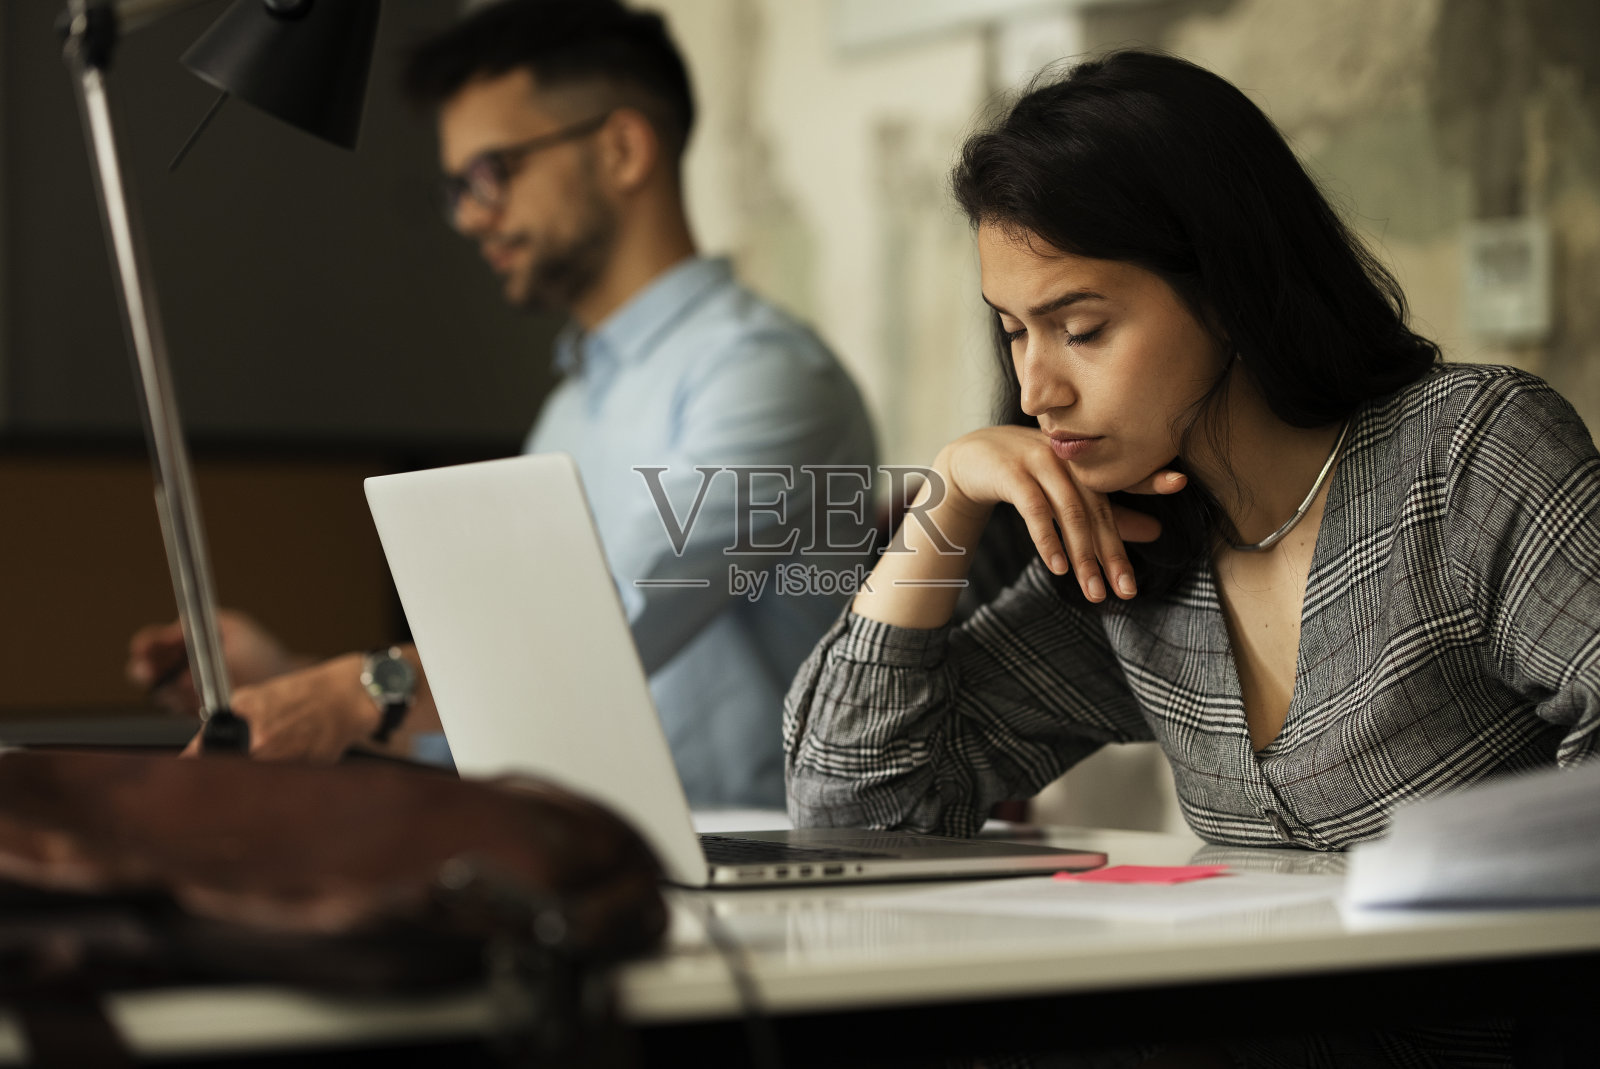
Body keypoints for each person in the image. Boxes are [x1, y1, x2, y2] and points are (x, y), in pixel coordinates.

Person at [786, 47, 1599, 1067]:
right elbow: (857, 816)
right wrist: (940, 511)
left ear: (1225, 288)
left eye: (1079, 328)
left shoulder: (1468, 457)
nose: (1037, 388)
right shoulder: (1136, 547)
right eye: (1012, 333)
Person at [128, 0, 876, 809]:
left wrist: (359, 689)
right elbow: (516, 705)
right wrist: (295, 681)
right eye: (456, 188)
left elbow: (602, 626)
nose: (471, 216)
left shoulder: (766, 378)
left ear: (623, 149)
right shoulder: (574, 404)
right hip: (599, 853)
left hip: (759, 880)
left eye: (493, 173)